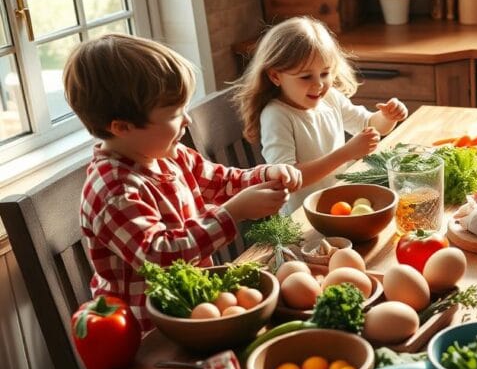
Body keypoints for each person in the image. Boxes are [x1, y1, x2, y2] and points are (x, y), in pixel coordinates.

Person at [64, 34, 302, 328]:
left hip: (193, 310)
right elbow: (160, 255)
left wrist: (266, 174)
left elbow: (219, 180)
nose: (187, 120)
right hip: (151, 333)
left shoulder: (167, 154)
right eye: (175, 114)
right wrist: (233, 213)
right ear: (122, 127)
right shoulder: (114, 192)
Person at [234, 17, 408, 214]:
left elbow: (368, 124)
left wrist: (388, 117)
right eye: (306, 77)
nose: (319, 84)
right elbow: (288, 179)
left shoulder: (330, 98)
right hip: (303, 218)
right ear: (275, 76)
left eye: (325, 73)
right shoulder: (276, 116)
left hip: (340, 207)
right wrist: (345, 154)